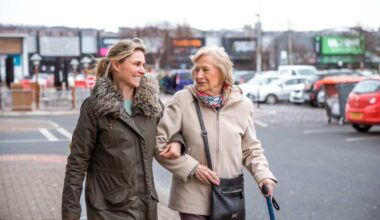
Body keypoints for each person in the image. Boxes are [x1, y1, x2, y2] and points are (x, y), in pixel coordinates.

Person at [62, 38, 181, 220]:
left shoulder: (152, 104)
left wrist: (176, 141)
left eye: (143, 64)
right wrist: (71, 214)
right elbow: (77, 163)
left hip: (145, 208)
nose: (142, 70)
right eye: (136, 64)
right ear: (117, 65)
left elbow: (172, 130)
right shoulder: (95, 107)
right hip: (107, 211)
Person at [155, 46, 278, 219]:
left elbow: (251, 149)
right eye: (196, 70)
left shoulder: (242, 105)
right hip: (192, 197)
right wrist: (192, 168)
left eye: (205, 70)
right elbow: (159, 143)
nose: (198, 75)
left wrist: (264, 176)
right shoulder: (182, 100)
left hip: (229, 195)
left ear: (223, 73)